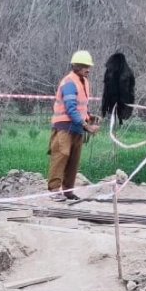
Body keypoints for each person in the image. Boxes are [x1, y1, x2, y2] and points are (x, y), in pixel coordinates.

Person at [48, 50, 100, 201]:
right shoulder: (69, 82)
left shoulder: (84, 82)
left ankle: (68, 191)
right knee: (61, 156)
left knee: (74, 160)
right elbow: (71, 108)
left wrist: (89, 117)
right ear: (76, 66)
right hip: (64, 127)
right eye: (85, 66)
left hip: (77, 127)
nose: (88, 69)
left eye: (88, 66)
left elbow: (81, 107)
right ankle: (54, 190)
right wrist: (87, 126)